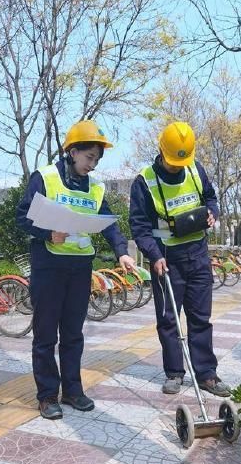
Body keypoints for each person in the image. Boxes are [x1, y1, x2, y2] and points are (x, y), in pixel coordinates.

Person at [17, 120, 135, 420]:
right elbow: (21, 218)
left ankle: (72, 390)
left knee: (73, 334)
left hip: (80, 268)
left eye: (96, 160)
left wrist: (122, 253)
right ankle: (46, 396)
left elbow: (108, 222)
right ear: (72, 151)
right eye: (88, 158)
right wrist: (48, 233)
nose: (92, 166)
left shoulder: (95, 188)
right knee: (45, 335)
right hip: (48, 266)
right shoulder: (44, 177)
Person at [129, 121, 230, 397]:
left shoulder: (195, 169)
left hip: (197, 253)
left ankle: (207, 374)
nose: (177, 167)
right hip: (166, 257)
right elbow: (138, 226)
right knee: (169, 320)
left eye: (181, 162)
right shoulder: (144, 181)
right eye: (173, 162)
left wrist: (212, 212)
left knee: (201, 317)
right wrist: (154, 255)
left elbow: (210, 198)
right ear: (161, 151)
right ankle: (174, 373)